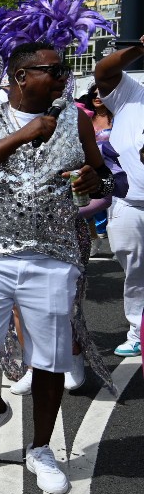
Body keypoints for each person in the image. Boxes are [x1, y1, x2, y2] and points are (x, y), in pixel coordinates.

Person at [0, 42, 108, 494]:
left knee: (51, 359)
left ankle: (40, 448)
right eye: (52, 71)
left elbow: (107, 174)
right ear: (20, 76)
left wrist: (98, 180)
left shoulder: (75, 117)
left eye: (62, 71)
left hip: (52, 256)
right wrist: (21, 135)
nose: (62, 78)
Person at [94, 35, 144, 357]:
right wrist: (140, 48)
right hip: (129, 203)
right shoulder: (131, 92)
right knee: (134, 269)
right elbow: (102, 71)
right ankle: (138, 330)